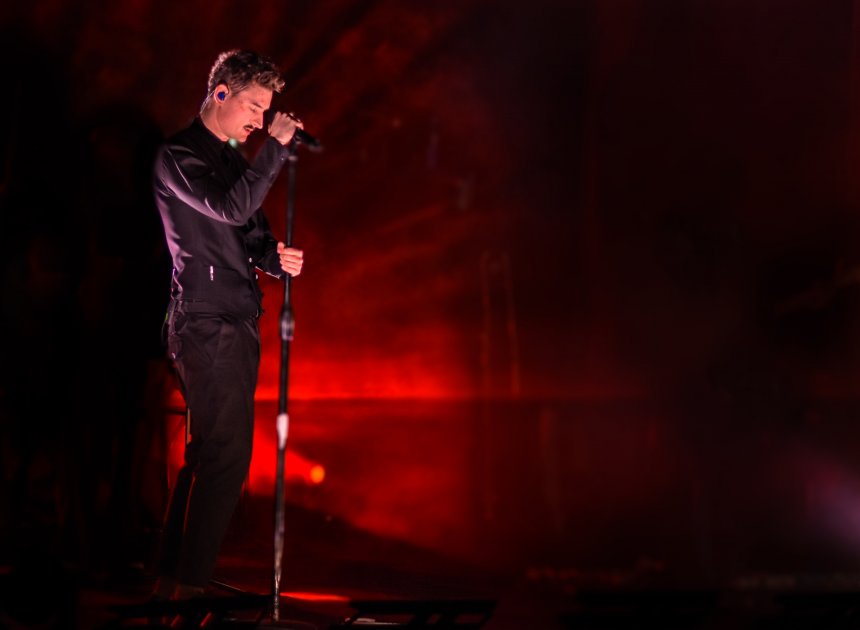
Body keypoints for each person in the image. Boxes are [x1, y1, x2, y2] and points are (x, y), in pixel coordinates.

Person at [150, 49, 305, 601]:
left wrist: (275, 258)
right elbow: (232, 209)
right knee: (227, 457)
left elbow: (250, 230)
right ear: (221, 93)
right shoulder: (178, 155)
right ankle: (190, 590)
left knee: (207, 454)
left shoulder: (232, 161)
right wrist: (274, 150)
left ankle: (171, 584)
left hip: (234, 318)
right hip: (204, 320)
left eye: (266, 111)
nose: (260, 121)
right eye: (254, 106)